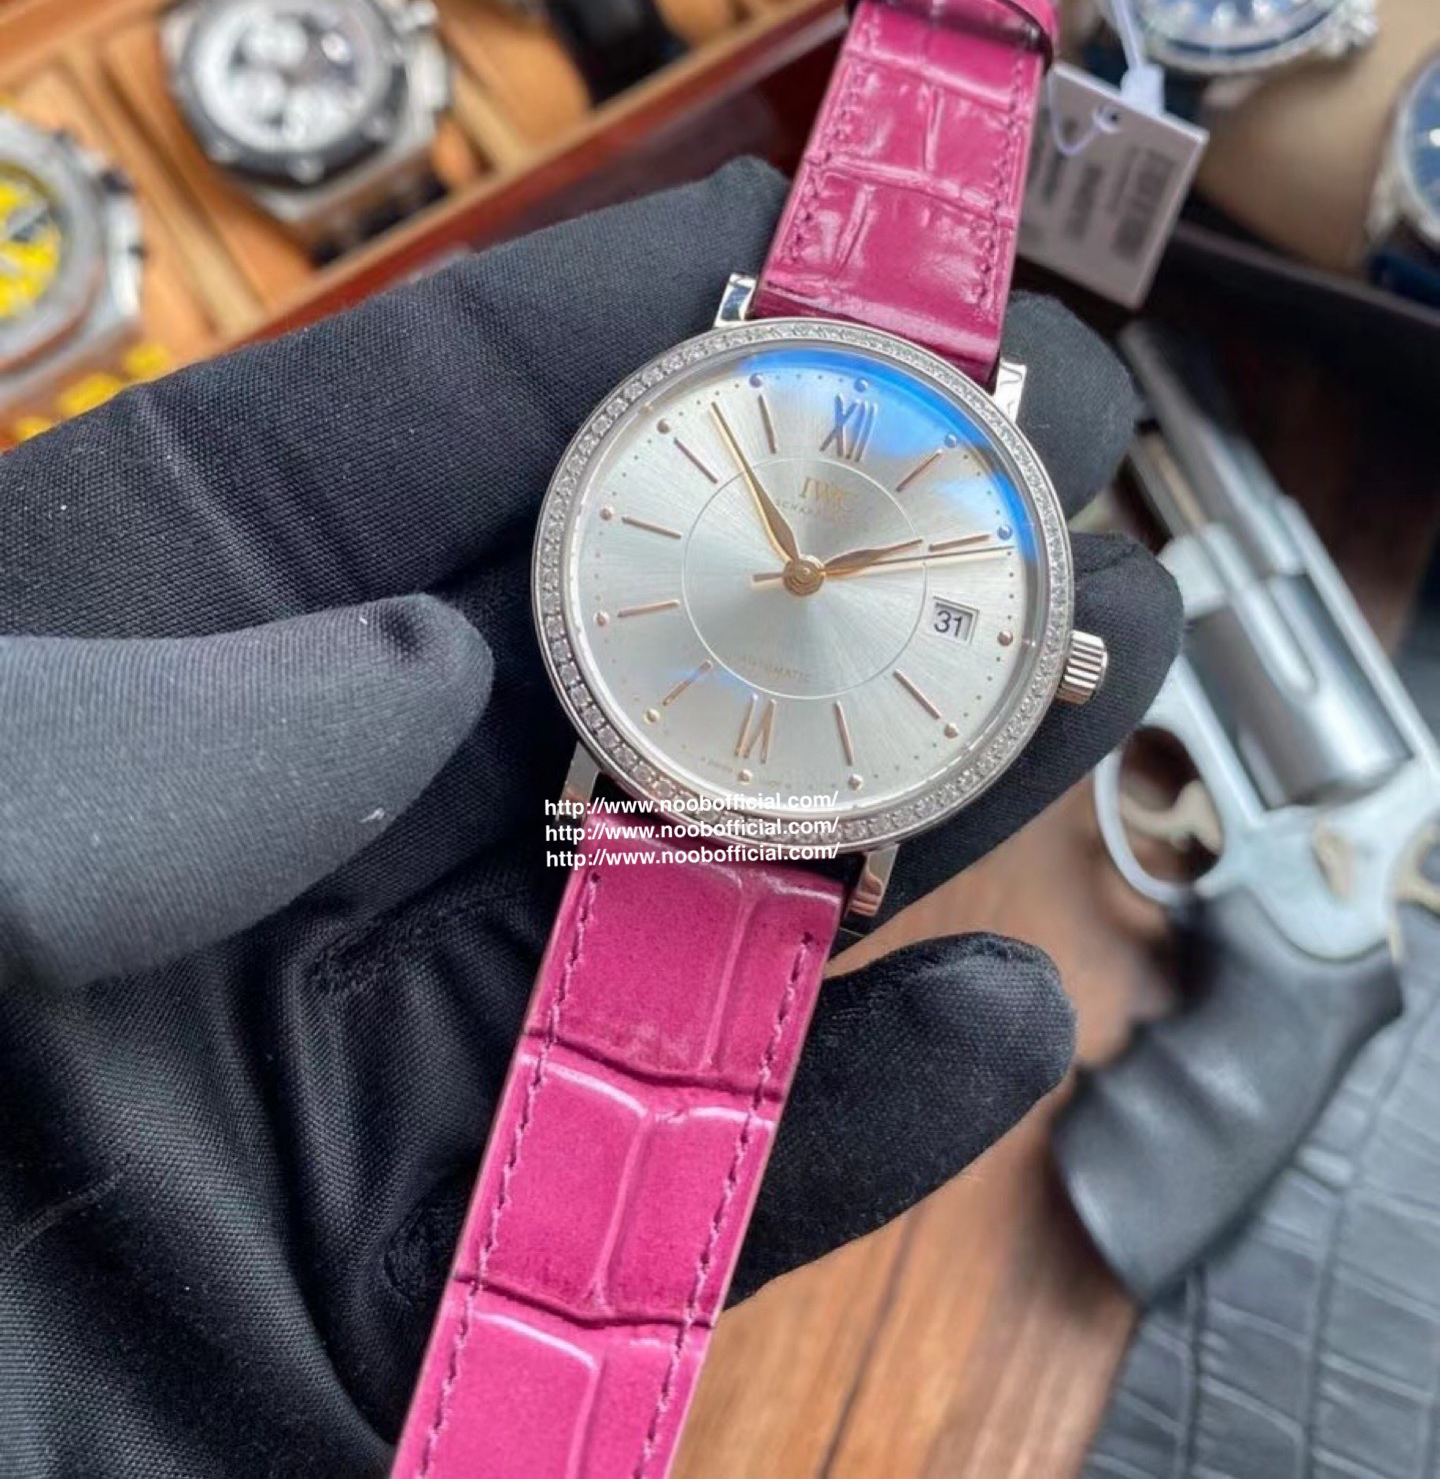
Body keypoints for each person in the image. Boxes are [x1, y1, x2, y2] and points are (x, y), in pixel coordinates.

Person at [0, 160, 1178, 1476]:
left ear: (1045, 665)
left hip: (757, 791)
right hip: (622, 752)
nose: (801, 573)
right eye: (790, 556)